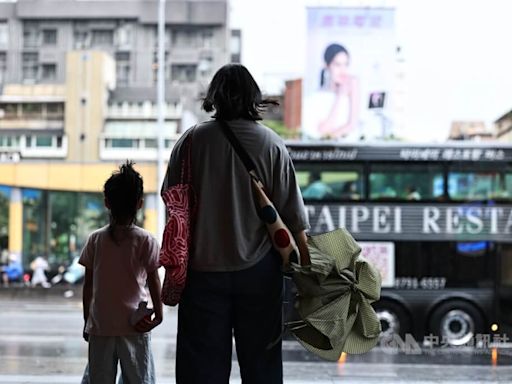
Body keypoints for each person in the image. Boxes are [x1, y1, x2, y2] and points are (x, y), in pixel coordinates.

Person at [163, 63, 310, 384]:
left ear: (214, 97)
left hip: (201, 276)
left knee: (201, 370)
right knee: (262, 367)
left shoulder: (189, 143)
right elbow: (295, 221)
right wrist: (307, 277)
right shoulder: (272, 145)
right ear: (252, 97)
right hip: (259, 275)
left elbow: (173, 207)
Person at [79, 161, 162, 383]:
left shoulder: (95, 240)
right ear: (140, 204)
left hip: (101, 325)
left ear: (107, 202)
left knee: (99, 378)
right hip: (136, 325)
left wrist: (87, 320)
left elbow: (88, 286)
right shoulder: (146, 240)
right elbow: (154, 280)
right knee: (138, 378)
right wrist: (159, 315)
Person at [303, 43, 360, 140]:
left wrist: (329, 136)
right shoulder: (315, 98)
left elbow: (352, 125)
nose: (343, 70)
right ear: (327, 66)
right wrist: (340, 96)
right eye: (337, 65)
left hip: (351, 148)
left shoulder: (352, 86)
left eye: (346, 64)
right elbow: (324, 131)